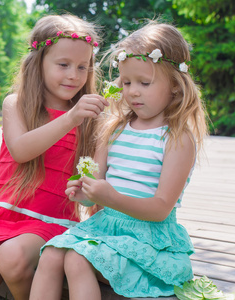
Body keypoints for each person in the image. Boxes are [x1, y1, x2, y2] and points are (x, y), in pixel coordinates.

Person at [30, 21, 209, 299]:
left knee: (76, 259)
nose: (132, 91)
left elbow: (160, 209)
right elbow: (97, 187)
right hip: (106, 228)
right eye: (126, 82)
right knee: (52, 254)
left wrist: (110, 198)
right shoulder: (114, 129)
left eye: (144, 83)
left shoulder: (176, 139)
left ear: (175, 85)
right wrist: (84, 194)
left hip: (147, 238)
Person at [0, 14, 109, 300]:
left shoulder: (91, 120)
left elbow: (95, 181)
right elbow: (21, 150)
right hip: (2, 214)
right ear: (39, 63)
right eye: (63, 65)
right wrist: (70, 118)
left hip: (52, 220)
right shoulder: (16, 105)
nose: (74, 75)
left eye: (82, 67)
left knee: (12, 258)